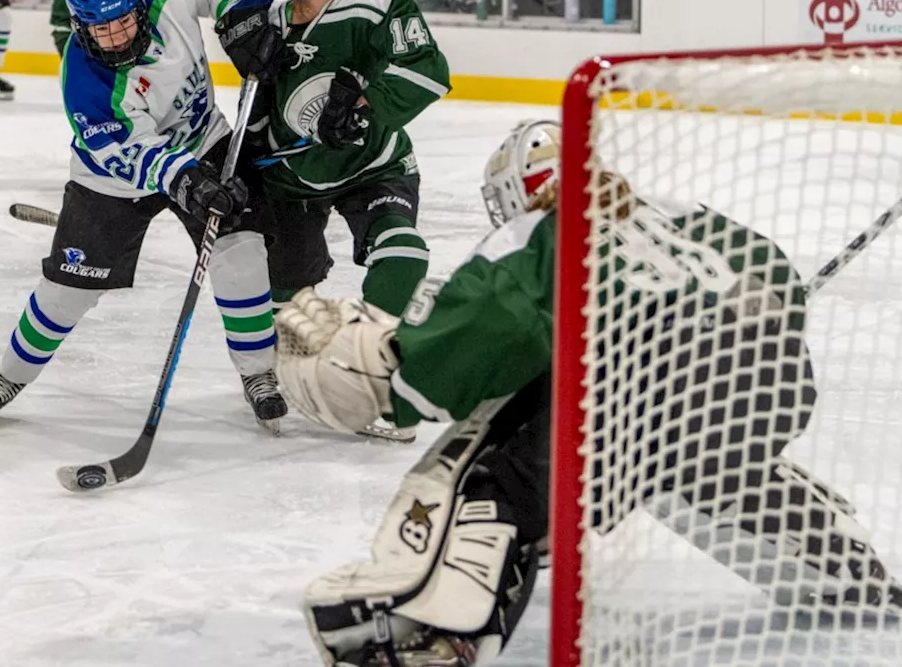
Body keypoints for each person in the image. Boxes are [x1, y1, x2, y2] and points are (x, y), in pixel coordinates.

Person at [276, 119, 902, 666]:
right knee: (706, 467)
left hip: (639, 397)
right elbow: (771, 273)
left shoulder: (542, 229)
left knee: (499, 472)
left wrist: (397, 367)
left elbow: (495, 329)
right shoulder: (672, 211)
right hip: (772, 386)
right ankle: (847, 574)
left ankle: (433, 633)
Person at [0, 0, 288, 429]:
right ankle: (10, 376)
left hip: (204, 140)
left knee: (240, 253)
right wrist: (188, 181)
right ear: (79, 26)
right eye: (101, 28)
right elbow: (131, 153)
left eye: (123, 21)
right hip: (111, 180)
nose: (116, 37)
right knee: (66, 290)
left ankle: (259, 375)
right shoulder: (85, 82)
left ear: (138, 1)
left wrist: (242, 15)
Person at [218, 0, 448, 346]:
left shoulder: (378, 1)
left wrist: (361, 105)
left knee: (403, 253)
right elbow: (260, 101)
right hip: (293, 180)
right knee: (283, 289)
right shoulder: (269, 19)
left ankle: (367, 357)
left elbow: (427, 69)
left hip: (374, 165)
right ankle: (285, 365)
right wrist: (244, 155)